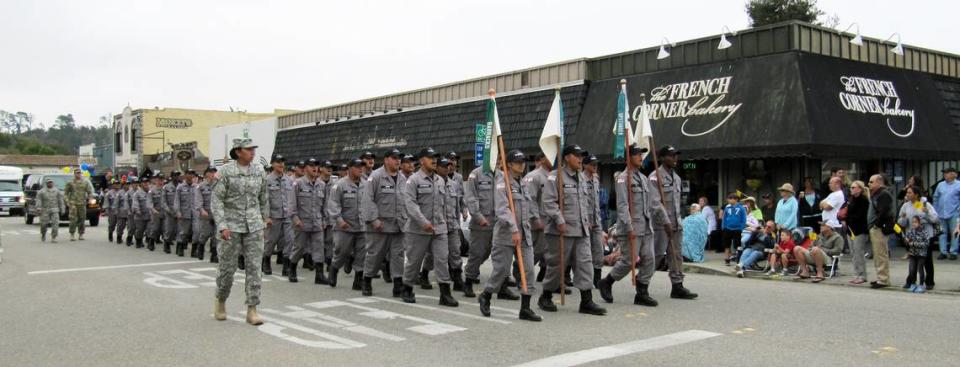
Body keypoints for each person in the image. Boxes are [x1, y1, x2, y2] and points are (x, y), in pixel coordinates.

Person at [540, 145, 606, 315]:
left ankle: (586, 300)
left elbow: (585, 203)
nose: (580, 159)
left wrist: (588, 222)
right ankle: (546, 295)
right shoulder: (555, 177)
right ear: (567, 157)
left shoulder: (582, 178)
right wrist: (559, 220)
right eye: (577, 156)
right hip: (561, 230)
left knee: (585, 265)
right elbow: (548, 202)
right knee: (557, 266)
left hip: (581, 230)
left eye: (581, 156)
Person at [597, 145, 665, 307]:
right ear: (629, 158)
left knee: (650, 259)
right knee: (628, 261)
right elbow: (622, 206)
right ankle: (607, 282)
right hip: (632, 228)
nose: (641, 157)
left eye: (641, 154)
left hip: (646, 226)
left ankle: (642, 292)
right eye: (636, 154)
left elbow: (650, 203)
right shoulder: (623, 179)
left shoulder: (643, 178)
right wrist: (629, 227)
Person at [478, 149, 541, 321]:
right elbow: (502, 209)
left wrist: (534, 220)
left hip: (524, 234)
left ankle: (525, 308)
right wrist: (514, 229)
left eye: (523, 162)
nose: (522, 165)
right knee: (502, 270)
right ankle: (486, 295)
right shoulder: (502, 182)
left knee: (528, 270)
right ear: (509, 165)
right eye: (518, 162)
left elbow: (529, 205)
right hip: (507, 234)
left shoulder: (523, 182)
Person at [212, 138, 269, 326]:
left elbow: (263, 198)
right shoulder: (225, 172)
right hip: (231, 226)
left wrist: (264, 221)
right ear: (238, 152)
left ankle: (252, 309)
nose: (252, 152)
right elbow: (217, 201)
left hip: (253, 226)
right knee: (228, 268)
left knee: (254, 267)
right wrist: (222, 225)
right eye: (248, 149)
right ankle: (221, 300)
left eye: (253, 149)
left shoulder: (259, 171)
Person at [400, 147, 458, 307]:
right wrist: (423, 221)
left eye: (435, 157)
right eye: (430, 157)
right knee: (414, 261)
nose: (434, 160)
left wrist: (447, 222)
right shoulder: (413, 180)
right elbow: (410, 204)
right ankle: (407, 288)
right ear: (421, 160)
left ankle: (445, 294)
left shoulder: (440, 180)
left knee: (441, 260)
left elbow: (446, 204)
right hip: (418, 229)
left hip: (439, 229)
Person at [464, 149, 519, 300]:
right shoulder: (475, 174)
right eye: (496, 157)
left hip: (499, 224)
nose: (499, 160)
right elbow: (471, 198)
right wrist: (479, 217)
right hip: (482, 224)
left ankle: (502, 287)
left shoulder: (503, 176)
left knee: (501, 257)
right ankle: (468, 280)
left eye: (500, 158)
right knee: (478, 254)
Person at [648, 145, 697, 300]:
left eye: (676, 155)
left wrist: (677, 221)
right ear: (662, 158)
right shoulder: (655, 177)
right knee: (655, 256)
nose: (675, 158)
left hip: (675, 223)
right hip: (661, 225)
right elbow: (655, 203)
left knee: (676, 255)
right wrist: (665, 221)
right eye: (671, 155)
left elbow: (677, 203)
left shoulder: (676, 178)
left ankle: (677, 285)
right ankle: (643, 284)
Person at [360, 149, 406, 296]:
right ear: (386, 160)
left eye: (399, 158)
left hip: (398, 225)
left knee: (398, 256)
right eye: (394, 158)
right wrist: (373, 219)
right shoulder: (376, 176)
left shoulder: (402, 178)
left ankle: (398, 284)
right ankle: (366, 280)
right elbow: (367, 199)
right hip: (379, 226)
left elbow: (406, 200)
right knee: (375, 255)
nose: (398, 161)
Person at [327, 158, 366, 288]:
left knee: (362, 254)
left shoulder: (366, 184)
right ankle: (334, 269)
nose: (361, 168)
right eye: (357, 166)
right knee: (341, 252)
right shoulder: (340, 185)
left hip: (362, 226)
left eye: (362, 166)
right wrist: (339, 221)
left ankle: (358, 279)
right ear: (349, 168)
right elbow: (333, 204)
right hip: (344, 226)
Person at [288, 158, 328, 284]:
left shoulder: (322, 185)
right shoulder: (298, 183)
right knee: (299, 248)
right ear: (305, 168)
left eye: (316, 165)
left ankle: (319, 275)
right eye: (311, 165)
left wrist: (324, 220)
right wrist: (295, 219)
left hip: (317, 222)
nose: (315, 168)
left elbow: (325, 205)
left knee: (319, 248)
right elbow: (291, 204)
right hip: (302, 222)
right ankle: (292, 269)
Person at [898, 185, 938, 290]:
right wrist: (903, 219)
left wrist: (926, 213)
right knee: (913, 260)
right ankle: (911, 281)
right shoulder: (905, 205)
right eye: (907, 193)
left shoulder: (923, 204)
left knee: (926, 260)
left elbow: (934, 219)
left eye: (910, 192)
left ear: (916, 194)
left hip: (925, 237)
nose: (907, 194)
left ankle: (929, 282)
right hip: (912, 238)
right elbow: (901, 223)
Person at [523, 152, 551, 282]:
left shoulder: (553, 176)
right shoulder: (533, 176)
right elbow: (530, 199)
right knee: (533, 252)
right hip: (537, 222)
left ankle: (548, 277)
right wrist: (535, 218)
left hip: (549, 221)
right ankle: (520, 272)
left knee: (547, 252)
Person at [266, 154, 295, 275]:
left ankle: (286, 264)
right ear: (272, 164)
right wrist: (266, 216)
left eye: (282, 162)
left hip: (288, 216)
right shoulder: (267, 180)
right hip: (274, 216)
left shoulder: (289, 180)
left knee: (290, 239)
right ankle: (266, 260)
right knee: (271, 241)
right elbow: (265, 199)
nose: (281, 164)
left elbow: (292, 198)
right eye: (278, 162)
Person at [867, 174, 896, 289]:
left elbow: (884, 211)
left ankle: (883, 280)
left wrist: (876, 224)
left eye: (871, 182)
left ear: (879, 182)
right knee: (877, 254)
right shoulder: (876, 194)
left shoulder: (883, 194)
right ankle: (880, 277)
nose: (869, 184)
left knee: (881, 254)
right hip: (875, 227)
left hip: (879, 228)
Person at [582, 154, 604, 287]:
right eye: (592, 164)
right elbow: (582, 201)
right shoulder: (580, 180)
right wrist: (585, 220)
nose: (595, 166)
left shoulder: (596, 179)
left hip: (596, 220)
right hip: (585, 221)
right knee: (584, 252)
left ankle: (597, 279)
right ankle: (569, 274)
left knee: (599, 250)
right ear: (585, 165)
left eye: (596, 164)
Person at [846, 180, 871, 284]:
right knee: (853, 253)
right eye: (851, 187)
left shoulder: (863, 200)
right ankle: (856, 274)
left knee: (859, 253)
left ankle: (862, 275)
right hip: (850, 229)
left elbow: (860, 216)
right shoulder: (851, 199)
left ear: (860, 189)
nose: (851, 189)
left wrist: (847, 217)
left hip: (859, 230)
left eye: (853, 187)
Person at [933, 168, 960, 260]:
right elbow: (936, 197)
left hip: (954, 213)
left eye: (947, 173)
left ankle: (953, 252)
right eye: (944, 173)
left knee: (955, 233)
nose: (945, 175)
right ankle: (943, 252)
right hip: (941, 212)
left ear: (953, 174)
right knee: (941, 233)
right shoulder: (940, 185)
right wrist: (934, 210)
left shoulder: (959, 185)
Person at [194, 167, 218, 261]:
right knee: (206, 233)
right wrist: (201, 210)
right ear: (206, 174)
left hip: (216, 213)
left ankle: (214, 254)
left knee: (217, 235)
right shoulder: (200, 186)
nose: (213, 174)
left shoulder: (218, 185)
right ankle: (200, 248)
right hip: (206, 213)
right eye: (211, 172)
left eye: (214, 172)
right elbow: (198, 200)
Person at [63, 169, 93, 241]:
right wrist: (67, 202)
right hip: (73, 203)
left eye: (79, 173)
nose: (78, 174)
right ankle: (72, 234)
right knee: (73, 219)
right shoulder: (70, 183)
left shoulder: (85, 182)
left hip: (82, 203)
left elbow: (90, 191)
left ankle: (81, 234)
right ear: (74, 174)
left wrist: (90, 199)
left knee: (82, 219)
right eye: (77, 173)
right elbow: (65, 193)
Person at [904, 216, 931, 293]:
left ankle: (921, 285)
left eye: (915, 222)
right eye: (913, 222)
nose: (914, 224)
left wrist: (913, 243)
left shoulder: (924, 232)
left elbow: (926, 243)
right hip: (912, 254)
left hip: (921, 254)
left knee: (920, 269)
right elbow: (906, 239)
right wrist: (906, 240)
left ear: (919, 223)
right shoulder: (911, 231)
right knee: (912, 269)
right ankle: (913, 284)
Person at [174, 170, 198, 257]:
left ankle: (194, 250)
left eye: (192, 174)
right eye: (189, 174)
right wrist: (178, 212)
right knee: (183, 232)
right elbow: (177, 201)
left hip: (195, 213)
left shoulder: (196, 187)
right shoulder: (180, 187)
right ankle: (180, 247)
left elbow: (199, 200)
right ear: (185, 175)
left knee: (196, 231)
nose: (190, 176)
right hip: (184, 213)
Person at [721, 193, 747, 265]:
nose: (728, 200)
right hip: (727, 228)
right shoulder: (727, 207)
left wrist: (741, 227)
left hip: (737, 229)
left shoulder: (741, 208)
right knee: (727, 244)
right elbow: (724, 217)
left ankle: (738, 258)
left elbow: (744, 218)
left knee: (737, 245)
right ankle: (727, 259)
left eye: (729, 199)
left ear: (735, 199)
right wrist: (723, 226)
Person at [38, 178, 65, 243]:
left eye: (51, 182)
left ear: (53, 183)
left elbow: (60, 200)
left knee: (55, 224)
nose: (50, 183)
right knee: (43, 224)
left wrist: (62, 208)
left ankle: (54, 237)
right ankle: (43, 234)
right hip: (45, 210)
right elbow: (39, 200)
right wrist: (38, 208)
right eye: (48, 182)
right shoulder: (41, 191)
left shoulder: (57, 191)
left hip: (54, 209)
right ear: (46, 183)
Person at [161, 171, 180, 252]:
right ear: (171, 177)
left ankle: (179, 247)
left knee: (179, 230)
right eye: (175, 176)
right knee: (169, 229)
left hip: (179, 212)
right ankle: (166, 244)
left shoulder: (181, 186)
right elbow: (163, 201)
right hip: (170, 211)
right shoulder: (166, 187)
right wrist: (168, 210)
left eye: (178, 176)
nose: (177, 177)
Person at [131, 177, 151, 249]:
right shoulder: (137, 193)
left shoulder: (151, 192)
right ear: (141, 184)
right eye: (144, 182)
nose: (146, 183)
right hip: (140, 215)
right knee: (140, 230)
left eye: (147, 182)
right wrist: (137, 210)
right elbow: (135, 203)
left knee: (150, 229)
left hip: (149, 215)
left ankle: (150, 243)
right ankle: (139, 241)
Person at [147, 176, 166, 252]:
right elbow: (149, 201)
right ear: (155, 181)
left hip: (164, 211)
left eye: (162, 180)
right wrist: (152, 209)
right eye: (159, 180)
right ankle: (151, 242)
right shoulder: (151, 191)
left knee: (165, 228)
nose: (160, 182)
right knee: (155, 228)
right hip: (155, 211)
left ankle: (166, 245)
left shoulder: (165, 190)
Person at [115, 180, 131, 245]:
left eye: (127, 184)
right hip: (121, 212)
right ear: (123, 185)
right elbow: (116, 203)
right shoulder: (119, 193)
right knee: (120, 226)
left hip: (129, 212)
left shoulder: (131, 192)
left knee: (130, 226)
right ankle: (119, 237)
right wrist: (116, 211)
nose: (126, 186)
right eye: (125, 184)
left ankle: (129, 238)